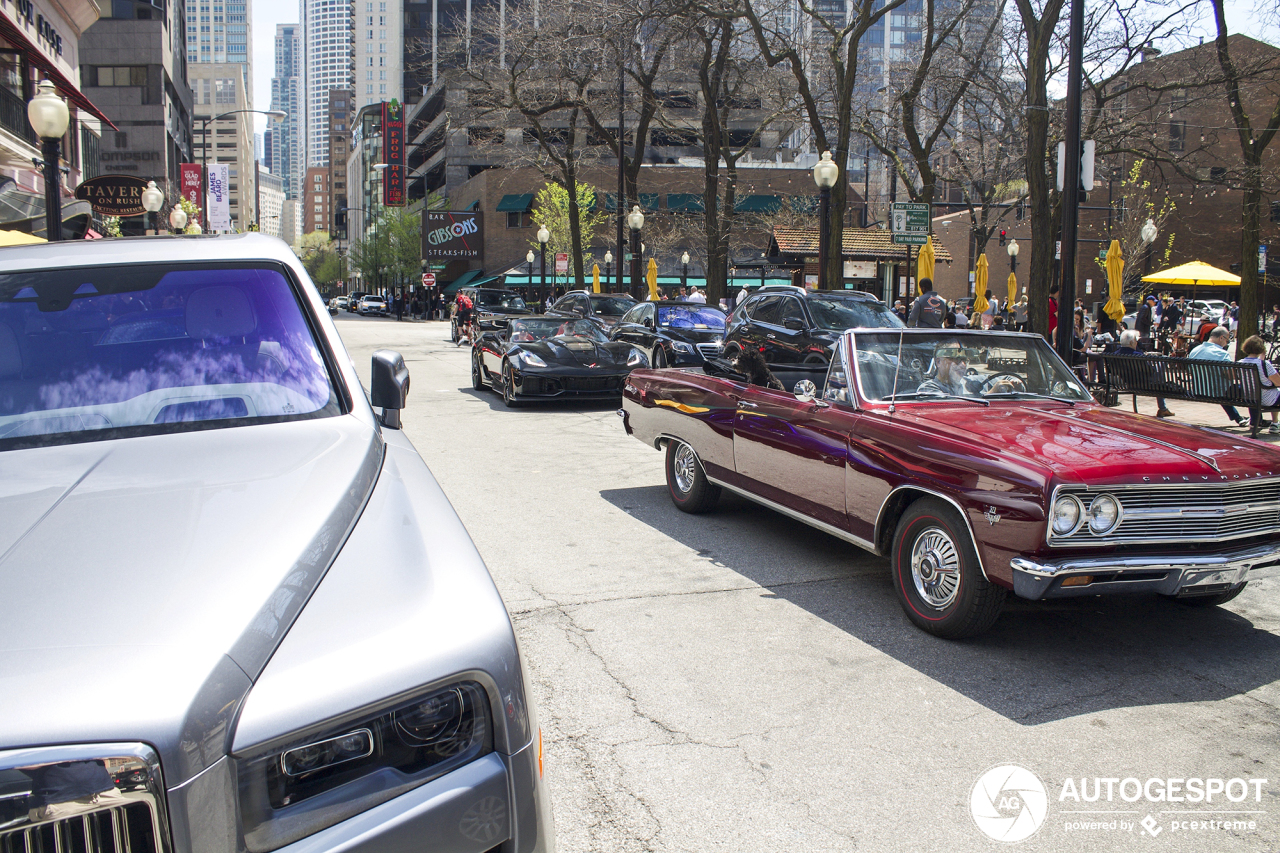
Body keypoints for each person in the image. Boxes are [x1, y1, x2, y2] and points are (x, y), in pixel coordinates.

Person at [917, 340, 1022, 397]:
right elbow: (952, 414)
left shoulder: (974, 382)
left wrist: (1015, 384)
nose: (962, 365)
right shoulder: (928, 389)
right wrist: (990, 395)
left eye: (964, 360)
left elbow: (1007, 378)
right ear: (938, 362)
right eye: (955, 359)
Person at [1189, 326, 1247, 426]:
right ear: (1221, 338)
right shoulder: (1222, 354)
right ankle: (1256, 420)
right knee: (1252, 389)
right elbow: (1231, 377)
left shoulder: (1195, 350)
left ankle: (1238, 418)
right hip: (1217, 392)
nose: (1226, 343)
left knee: (1221, 388)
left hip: (1198, 390)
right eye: (1227, 341)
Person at [1113, 329, 1173, 417]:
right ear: (1131, 343)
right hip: (1144, 385)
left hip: (1125, 383)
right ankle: (1162, 408)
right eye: (1135, 341)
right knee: (1160, 367)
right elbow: (1150, 371)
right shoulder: (1138, 356)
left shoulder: (1115, 355)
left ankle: (1163, 408)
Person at [1239, 335, 1280, 434]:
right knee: (1274, 391)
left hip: (1249, 398)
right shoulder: (1264, 364)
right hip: (1267, 399)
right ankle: (1275, 423)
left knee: (1270, 392)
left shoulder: (1240, 363)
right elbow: (1278, 382)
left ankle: (1257, 422)